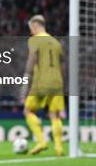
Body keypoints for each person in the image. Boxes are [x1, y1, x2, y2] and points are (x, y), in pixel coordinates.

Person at [21, 15, 65, 156]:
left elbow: (32, 59)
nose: (31, 32)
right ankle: (59, 148)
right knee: (54, 115)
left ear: (35, 26)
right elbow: (62, 64)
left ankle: (41, 141)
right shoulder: (56, 42)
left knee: (28, 110)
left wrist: (26, 79)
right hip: (57, 81)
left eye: (31, 29)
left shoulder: (35, 40)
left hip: (42, 81)